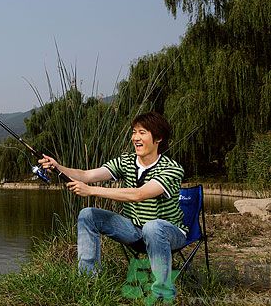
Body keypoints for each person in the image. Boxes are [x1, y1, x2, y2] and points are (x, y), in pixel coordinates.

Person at [39, 111, 186, 303]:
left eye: (142, 132)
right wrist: (58, 167)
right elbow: (85, 175)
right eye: (134, 132)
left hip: (168, 233)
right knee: (88, 215)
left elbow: (139, 194)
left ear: (158, 138)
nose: (135, 138)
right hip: (134, 230)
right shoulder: (125, 161)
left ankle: (162, 293)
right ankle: (88, 280)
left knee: (152, 227)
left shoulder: (171, 169)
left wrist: (90, 191)